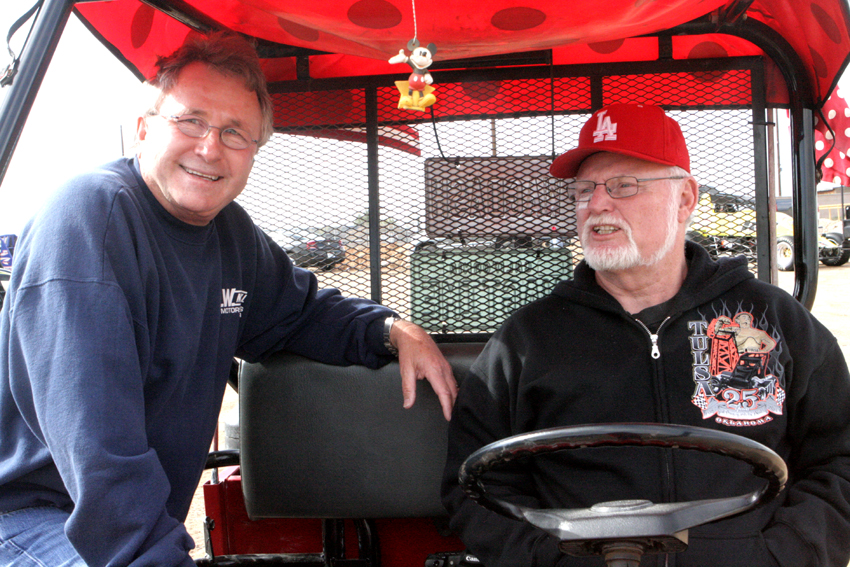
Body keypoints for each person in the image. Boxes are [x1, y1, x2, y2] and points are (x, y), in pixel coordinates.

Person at [0, 32, 457, 567]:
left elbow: (301, 314)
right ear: (144, 128)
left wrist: (390, 330)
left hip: (114, 523)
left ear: (254, 152)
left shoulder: (230, 236)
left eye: (235, 132)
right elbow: (98, 452)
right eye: (191, 121)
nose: (210, 147)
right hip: (34, 516)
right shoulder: (90, 220)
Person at [442, 103, 850, 566]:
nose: (597, 205)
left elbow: (839, 460)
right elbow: (474, 487)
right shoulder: (525, 339)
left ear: (685, 199)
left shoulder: (774, 321)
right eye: (584, 190)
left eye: (623, 185)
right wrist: (553, 561)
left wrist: (778, 556)